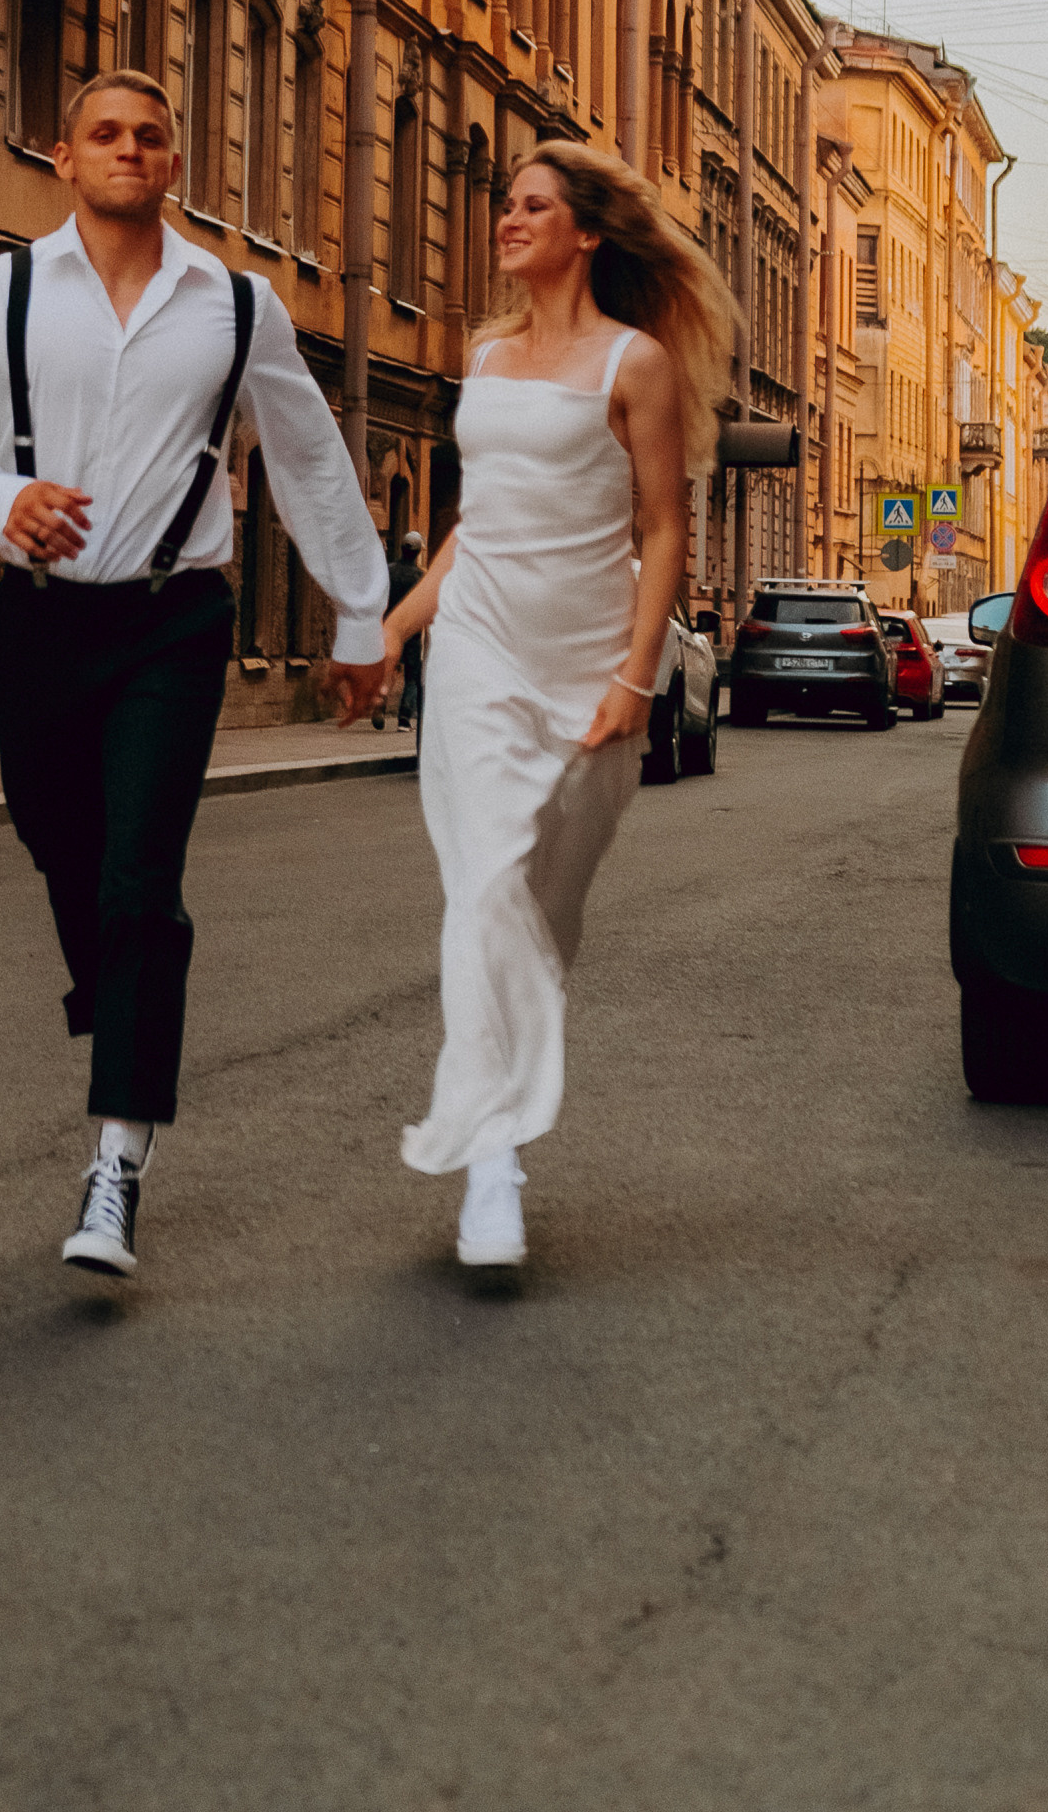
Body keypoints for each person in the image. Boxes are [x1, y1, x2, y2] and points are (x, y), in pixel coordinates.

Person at [0, 68, 388, 1281]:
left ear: (171, 165)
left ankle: (115, 1164)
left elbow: (310, 460)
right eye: (103, 133)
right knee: (60, 847)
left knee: (137, 878)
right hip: (43, 624)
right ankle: (118, 990)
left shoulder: (234, 306)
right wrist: (2, 497)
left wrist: (360, 616)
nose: (126, 150)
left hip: (175, 620)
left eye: (149, 137)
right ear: (65, 158)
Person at [380, 142, 734, 1269]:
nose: (506, 219)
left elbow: (664, 529)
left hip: (586, 662)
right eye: (504, 204)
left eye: (531, 206)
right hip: (479, 647)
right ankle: (493, 1164)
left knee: (543, 910)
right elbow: (473, 528)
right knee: (481, 889)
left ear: (585, 233)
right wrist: (394, 627)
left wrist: (636, 680)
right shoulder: (480, 359)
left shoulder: (633, 364)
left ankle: (499, 1118)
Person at [373, 529, 426, 734]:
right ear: (419, 551)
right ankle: (404, 719)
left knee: (388, 670)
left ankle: (380, 700)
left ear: (402, 549)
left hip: (388, 628)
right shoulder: (420, 577)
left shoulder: (388, 571)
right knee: (412, 676)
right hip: (411, 632)